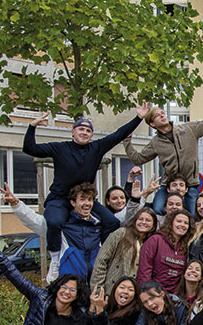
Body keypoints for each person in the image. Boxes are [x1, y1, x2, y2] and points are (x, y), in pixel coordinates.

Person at [22, 108, 143, 254]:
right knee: (54, 223)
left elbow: (119, 134)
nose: (84, 132)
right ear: (73, 132)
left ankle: (103, 254)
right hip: (60, 198)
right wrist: (32, 126)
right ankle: (54, 257)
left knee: (112, 222)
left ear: (91, 135)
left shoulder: (96, 148)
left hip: (87, 199)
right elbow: (29, 149)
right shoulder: (59, 148)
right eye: (81, 129)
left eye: (88, 130)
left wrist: (138, 118)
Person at [123, 91, 203, 215]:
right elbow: (138, 159)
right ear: (152, 123)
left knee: (193, 214)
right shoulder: (156, 142)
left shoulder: (189, 129)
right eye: (157, 116)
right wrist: (127, 141)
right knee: (158, 209)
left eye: (162, 113)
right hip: (168, 185)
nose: (162, 115)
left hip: (191, 183)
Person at [0, 181, 102, 283]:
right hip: (66, 286)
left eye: (90, 199)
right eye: (82, 199)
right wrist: (15, 203)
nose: (87, 203)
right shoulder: (62, 226)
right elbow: (34, 221)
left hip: (92, 286)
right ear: (73, 202)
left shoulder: (98, 225)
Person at [90, 207, 158, 294]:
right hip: (112, 290)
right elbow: (101, 262)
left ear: (153, 225)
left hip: (134, 294)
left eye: (148, 220)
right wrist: (98, 291)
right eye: (140, 219)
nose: (143, 222)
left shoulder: (152, 243)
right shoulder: (121, 234)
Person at [137, 209, 193, 294]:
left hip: (175, 298)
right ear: (171, 223)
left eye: (186, 223)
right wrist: (148, 294)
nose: (182, 225)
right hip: (154, 294)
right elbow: (144, 271)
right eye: (179, 221)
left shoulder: (186, 246)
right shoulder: (155, 240)